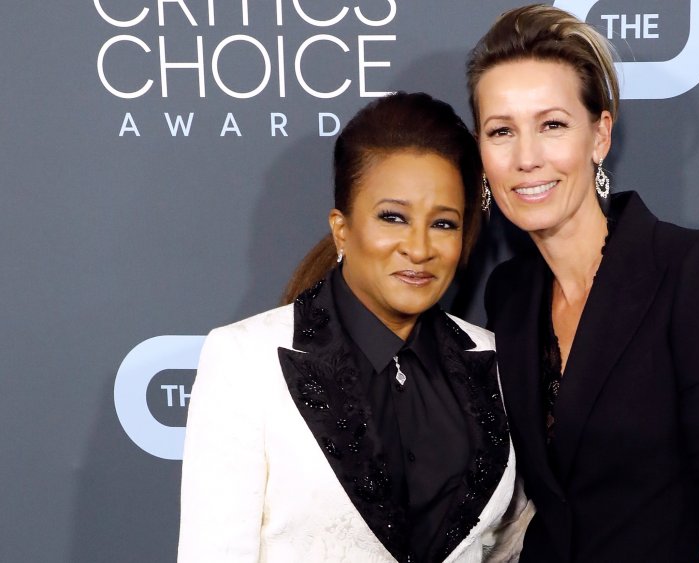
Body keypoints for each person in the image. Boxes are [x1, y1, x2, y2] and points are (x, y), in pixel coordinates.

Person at [467, 5, 699, 562]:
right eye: (501, 131)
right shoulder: (509, 294)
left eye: (552, 125)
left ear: (600, 135)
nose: (527, 158)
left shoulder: (696, 271)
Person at [178, 92, 518, 563]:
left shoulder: (496, 362)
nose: (419, 248)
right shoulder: (243, 361)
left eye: (443, 223)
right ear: (342, 228)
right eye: (393, 217)